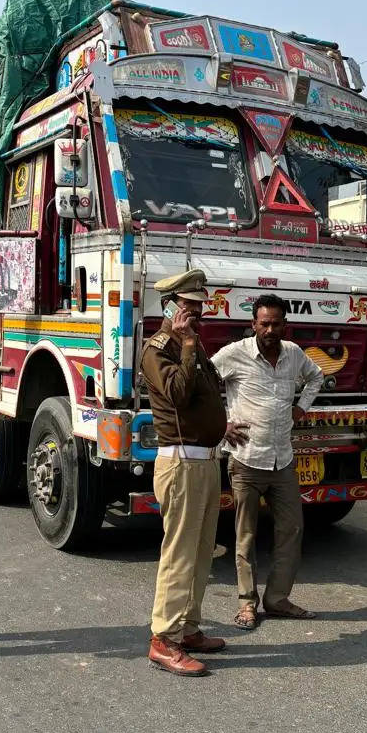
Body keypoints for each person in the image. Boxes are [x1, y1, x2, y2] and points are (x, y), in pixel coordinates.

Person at [141, 269, 242, 677]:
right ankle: (162, 640)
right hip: (179, 463)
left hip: (203, 459)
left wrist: (223, 427)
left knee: (202, 552)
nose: (197, 314)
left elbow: (202, 401)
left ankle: (188, 628)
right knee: (179, 555)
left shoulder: (191, 346)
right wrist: (185, 344)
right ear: (169, 307)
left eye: (199, 307)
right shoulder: (160, 348)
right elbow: (178, 395)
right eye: (189, 307)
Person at [212, 294, 324, 630]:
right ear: (254, 324)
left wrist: (301, 406)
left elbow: (316, 376)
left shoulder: (292, 354)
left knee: (291, 530)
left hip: (282, 460)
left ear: (285, 325)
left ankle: (277, 599)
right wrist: (220, 425)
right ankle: (247, 604)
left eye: (276, 323)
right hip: (246, 460)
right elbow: (203, 382)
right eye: (264, 323)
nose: (270, 329)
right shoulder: (236, 353)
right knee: (246, 535)